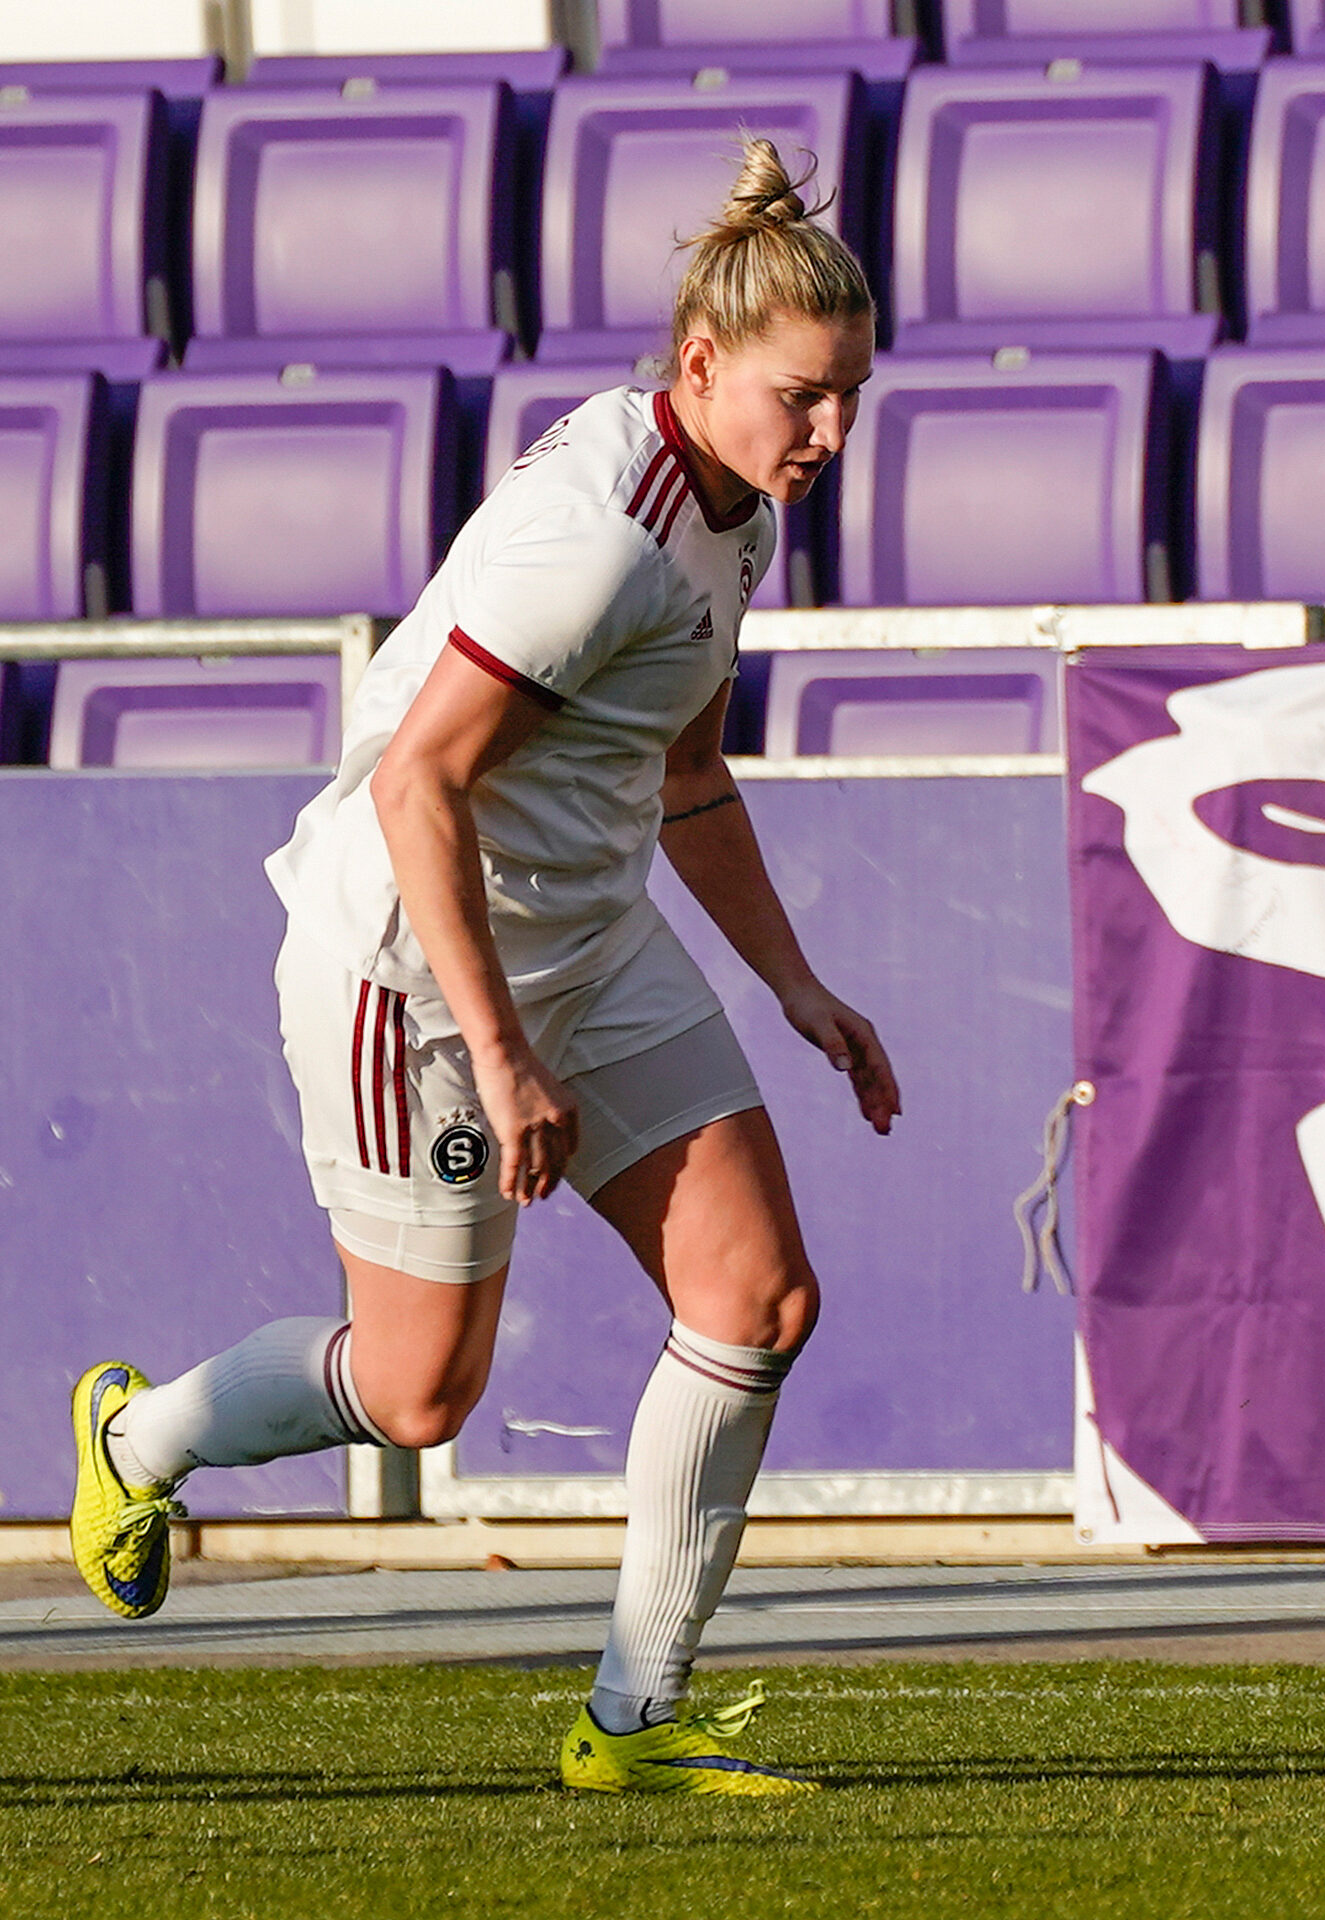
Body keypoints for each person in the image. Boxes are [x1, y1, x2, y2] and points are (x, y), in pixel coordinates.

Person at [67, 140, 900, 1796]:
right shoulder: (594, 534)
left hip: (587, 941)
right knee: (420, 1390)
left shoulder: (737, 510)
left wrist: (796, 984)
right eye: (804, 396)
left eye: (853, 398)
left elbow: (687, 775)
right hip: (416, 976)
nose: (830, 432)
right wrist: (502, 1056)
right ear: (702, 365)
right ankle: (137, 1438)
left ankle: (633, 1721)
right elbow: (416, 782)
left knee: (758, 1298)